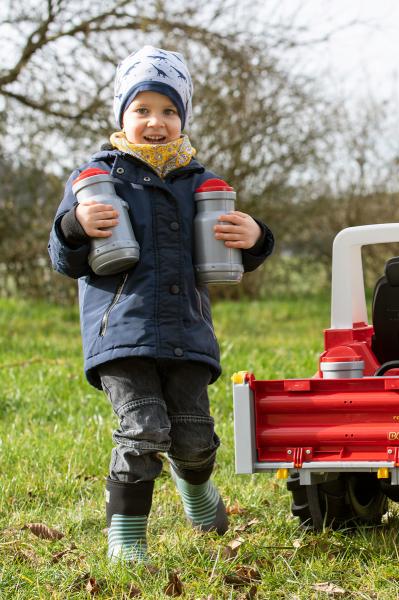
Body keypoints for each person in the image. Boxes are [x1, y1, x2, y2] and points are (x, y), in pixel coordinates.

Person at [48, 45, 274, 562]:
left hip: (187, 333)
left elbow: (237, 255)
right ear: (122, 116)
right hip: (121, 332)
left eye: (170, 110)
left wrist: (255, 235)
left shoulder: (200, 181)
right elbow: (63, 257)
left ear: (184, 118)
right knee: (143, 428)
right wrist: (75, 227)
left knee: (196, 440)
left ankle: (197, 492)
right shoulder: (97, 179)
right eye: (142, 109)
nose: (157, 121)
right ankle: (127, 540)